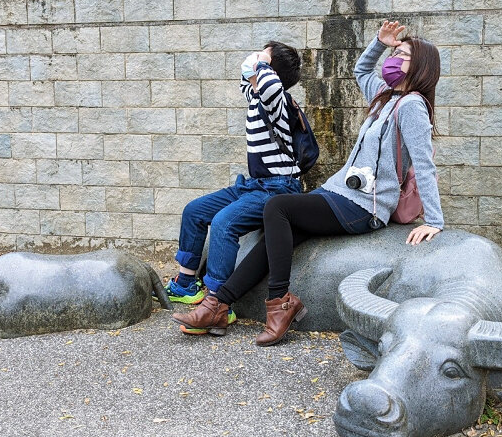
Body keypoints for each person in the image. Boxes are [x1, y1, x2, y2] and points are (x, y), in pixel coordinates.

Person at [172, 20, 444, 345]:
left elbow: (424, 163)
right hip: (339, 195)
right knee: (276, 237)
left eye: (401, 54)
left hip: (363, 205)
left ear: (421, 66)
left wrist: (435, 221)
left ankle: (280, 304)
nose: (393, 58)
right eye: (394, 52)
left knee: (277, 207)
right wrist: (380, 42)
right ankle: (218, 305)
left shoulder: (412, 105)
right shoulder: (386, 98)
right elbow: (361, 70)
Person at [165, 41, 303, 334]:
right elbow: (248, 82)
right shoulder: (257, 96)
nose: (254, 59)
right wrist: (259, 64)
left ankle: (216, 306)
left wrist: (265, 61)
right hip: (254, 185)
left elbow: (267, 84)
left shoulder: (278, 100)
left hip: (279, 188)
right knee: (195, 211)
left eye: (262, 57)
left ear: (272, 72)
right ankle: (186, 285)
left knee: (224, 223)